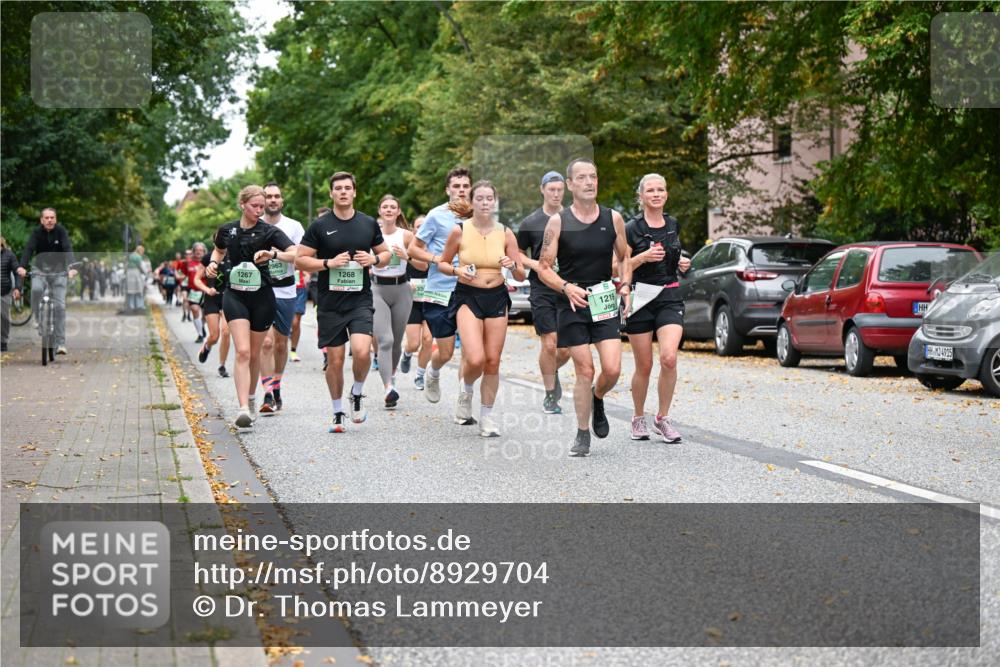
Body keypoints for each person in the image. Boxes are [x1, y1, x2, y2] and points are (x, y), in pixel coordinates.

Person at [536, 158, 631, 457]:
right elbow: (543, 267)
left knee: (612, 370)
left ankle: (597, 397)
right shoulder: (558, 222)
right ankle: (582, 433)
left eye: (594, 176)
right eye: (582, 177)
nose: (590, 181)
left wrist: (625, 285)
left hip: (603, 298)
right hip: (572, 303)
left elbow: (625, 256)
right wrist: (565, 287)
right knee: (585, 369)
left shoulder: (613, 218)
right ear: (571, 185)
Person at [294, 172, 391, 432]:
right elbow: (300, 259)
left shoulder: (368, 223)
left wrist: (374, 260)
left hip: (359, 299)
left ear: (355, 192)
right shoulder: (320, 225)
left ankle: (357, 393)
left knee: (362, 351)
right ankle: (337, 412)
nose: (343, 192)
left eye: (348, 188)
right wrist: (328, 263)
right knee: (335, 360)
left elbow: (386, 254)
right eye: (338, 188)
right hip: (329, 302)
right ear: (332, 193)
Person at [437, 181, 525, 437]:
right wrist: (457, 269)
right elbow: (442, 264)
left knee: (492, 361)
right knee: (475, 358)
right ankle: (466, 391)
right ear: (472, 202)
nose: (485, 203)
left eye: (490, 199)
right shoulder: (459, 231)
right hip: (468, 295)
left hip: (497, 296)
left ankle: (487, 416)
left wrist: (512, 264)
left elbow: (519, 275)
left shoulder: (506, 233)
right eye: (481, 198)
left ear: (494, 202)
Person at [206, 184, 296, 429]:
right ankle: (243, 407)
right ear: (242, 205)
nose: (259, 210)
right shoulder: (227, 230)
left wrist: (273, 255)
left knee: (255, 353)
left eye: (262, 206)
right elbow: (218, 251)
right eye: (255, 206)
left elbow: (295, 253)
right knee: (243, 351)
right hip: (235, 295)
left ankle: (254, 398)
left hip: (262, 296)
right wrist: (213, 265)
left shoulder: (269, 232)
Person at [624, 174, 692, 443]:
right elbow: (616, 266)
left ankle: (662, 418)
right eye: (650, 190)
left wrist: (682, 262)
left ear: (666, 194)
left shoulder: (673, 224)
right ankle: (638, 417)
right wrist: (642, 257)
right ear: (640, 197)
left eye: (661, 189)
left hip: (669, 295)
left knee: (669, 358)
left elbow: (673, 256)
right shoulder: (631, 228)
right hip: (640, 298)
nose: (656, 194)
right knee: (644, 365)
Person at [406, 167, 473, 408]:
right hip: (440, 289)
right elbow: (413, 249)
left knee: (470, 350)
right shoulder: (436, 216)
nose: (461, 190)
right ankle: (433, 372)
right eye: (456, 186)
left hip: (468, 289)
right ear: (448, 190)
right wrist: (438, 260)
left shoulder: (479, 217)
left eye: (465, 186)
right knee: (445, 352)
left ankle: (464, 401)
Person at [517, 170, 571, 414]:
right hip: (541, 288)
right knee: (549, 345)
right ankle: (550, 394)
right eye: (552, 189)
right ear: (542, 190)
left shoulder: (573, 218)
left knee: (566, 349)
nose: (556, 194)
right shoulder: (530, 222)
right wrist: (535, 265)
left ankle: (553, 370)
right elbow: (517, 253)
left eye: (560, 190)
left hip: (569, 288)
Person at [257, 182, 304, 414]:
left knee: (280, 343)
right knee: (265, 342)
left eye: (276, 196)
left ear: (282, 201)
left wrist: (275, 254)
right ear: (262, 200)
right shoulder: (254, 225)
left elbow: (300, 256)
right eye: (268, 196)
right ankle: (266, 392)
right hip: (260, 290)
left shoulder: (293, 226)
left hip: (285, 290)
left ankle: (276, 386)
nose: (272, 200)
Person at [371, 194, 417, 409]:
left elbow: (424, 265)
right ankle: (388, 387)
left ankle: (392, 374)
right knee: (385, 340)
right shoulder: (371, 235)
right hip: (376, 289)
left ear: (398, 212)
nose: (389, 210)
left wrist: (407, 256)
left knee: (397, 341)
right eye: (385, 207)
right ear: (380, 211)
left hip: (401, 289)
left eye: (393, 207)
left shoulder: (406, 236)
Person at [17, 208, 78, 354]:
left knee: (60, 307)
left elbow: (67, 248)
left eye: (52, 217)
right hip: (40, 270)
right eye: (47, 218)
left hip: (59, 272)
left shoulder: (61, 231)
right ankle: (38, 319)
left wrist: (72, 267)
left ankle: (61, 343)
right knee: (37, 290)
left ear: (55, 219)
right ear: (42, 220)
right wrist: (22, 267)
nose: (50, 220)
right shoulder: (36, 233)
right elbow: (28, 250)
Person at [399, 215, 432, 389]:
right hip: (411, 301)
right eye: (418, 226)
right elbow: (397, 271)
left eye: (425, 225)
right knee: (414, 343)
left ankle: (420, 375)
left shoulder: (437, 247)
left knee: (428, 339)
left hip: (431, 299)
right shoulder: (408, 249)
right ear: (413, 229)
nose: (421, 229)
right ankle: (407, 353)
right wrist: (405, 283)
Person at [194, 242, 232, 378]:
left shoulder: (234, 257)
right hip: (212, 299)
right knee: (214, 336)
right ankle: (207, 346)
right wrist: (207, 290)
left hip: (229, 299)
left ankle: (222, 365)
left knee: (226, 332)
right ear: (215, 243)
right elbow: (197, 279)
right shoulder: (208, 258)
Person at [1, 236, 22, 353]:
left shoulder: (9, 255)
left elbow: (17, 272)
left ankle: (3, 341)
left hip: (4, 291)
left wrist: (17, 288)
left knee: (4, 318)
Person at [185, 243, 208, 341]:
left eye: (201, 250)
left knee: (206, 315)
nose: (198, 252)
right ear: (193, 252)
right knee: (194, 309)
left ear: (204, 252)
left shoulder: (208, 262)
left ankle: (201, 327)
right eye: (197, 250)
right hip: (193, 291)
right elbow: (183, 275)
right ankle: (200, 334)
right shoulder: (188, 263)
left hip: (206, 291)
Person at [288, 266, 309, 362]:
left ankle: (293, 351)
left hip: (300, 289)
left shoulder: (300, 250)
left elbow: (308, 259)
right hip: (284, 288)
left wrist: (307, 273)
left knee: (296, 323)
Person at [125, 245, 148, 312]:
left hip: (129, 273)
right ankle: (139, 305)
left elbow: (126, 265)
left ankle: (131, 306)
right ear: (140, 251)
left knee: (130, 290)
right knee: (139, 290)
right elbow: (142, 266)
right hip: (136, 273)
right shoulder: (138, 257)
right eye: (142, 252)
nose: (142, 253)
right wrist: (146, 273)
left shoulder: (130, 256)